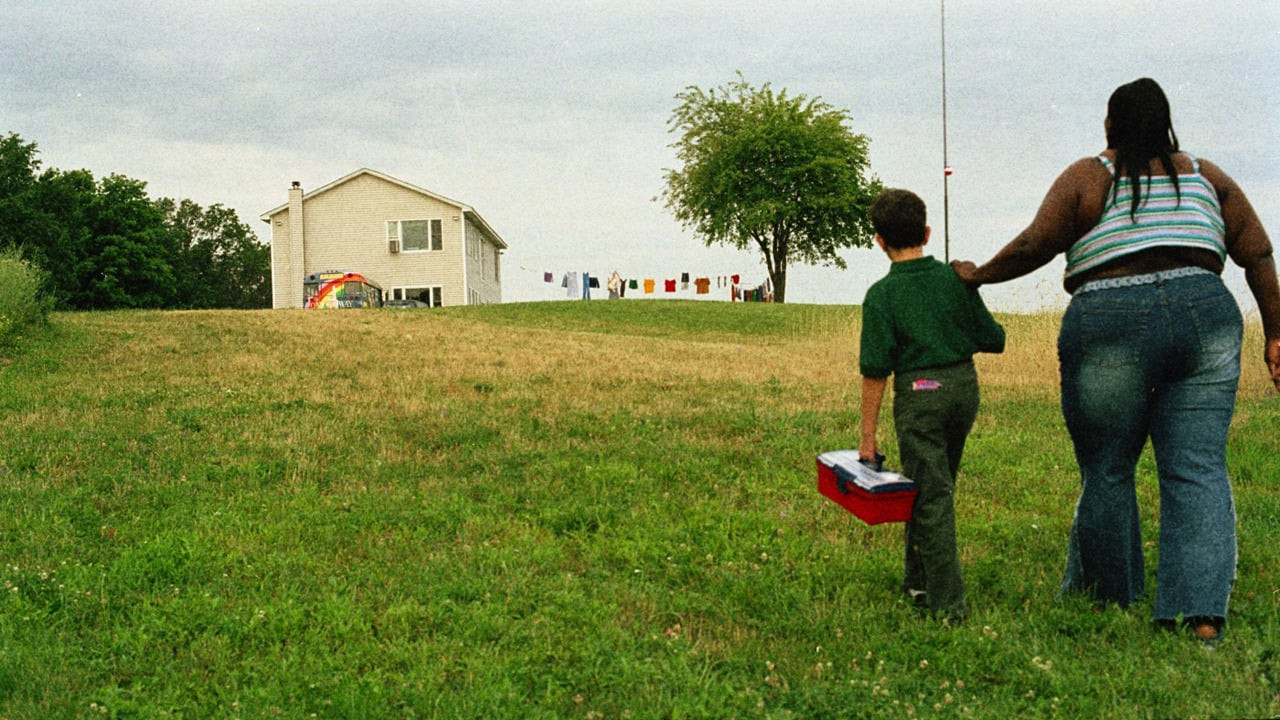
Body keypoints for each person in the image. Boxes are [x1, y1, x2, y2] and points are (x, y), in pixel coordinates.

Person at [951, 78, 1280, 643]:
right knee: (1197, 468)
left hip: (1110, 319)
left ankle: (1109, 600)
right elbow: (1258, 254)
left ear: (1109, 125)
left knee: (1107, 467)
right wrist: (1276, 335)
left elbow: (1037, 244)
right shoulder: (1208, 176)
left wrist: (977, 275)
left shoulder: (1088, 176)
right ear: (1166, 122)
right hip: (1206, 314)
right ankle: (1200, 617)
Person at [859, 188, 1007, 622]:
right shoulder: (955, 280)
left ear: (879, 240)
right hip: (964, 392)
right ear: (926, 231)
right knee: (931, 489)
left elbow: (875, 370)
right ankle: (917, 580)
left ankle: (948, 605)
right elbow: (994, 340)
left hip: (920, 394)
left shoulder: (882, 295)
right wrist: (970, 289)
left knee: (931, 496)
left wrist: (867, 436)